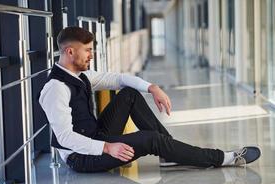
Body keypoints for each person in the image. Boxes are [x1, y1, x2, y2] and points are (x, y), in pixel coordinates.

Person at [39, 26, 261, 173]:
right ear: (69, 52)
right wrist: (107, 147)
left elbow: (118, 79)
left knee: (130, 94)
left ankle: (171, 153)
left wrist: (152, 87)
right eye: (87, 50)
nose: (91, 55)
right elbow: (65, 138)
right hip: (82, 157)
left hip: (96, 135)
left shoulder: (81, 76)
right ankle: (224, 158)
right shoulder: (56, 89)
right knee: (150, 139)